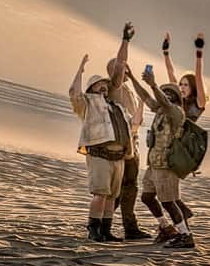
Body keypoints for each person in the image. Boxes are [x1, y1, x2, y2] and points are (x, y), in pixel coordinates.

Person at [127, 65, 195, 249]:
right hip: (154, 164)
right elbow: (146, 97)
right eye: (165, 92)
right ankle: (166, 228)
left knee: (168, 201)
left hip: (166, 165)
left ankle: (186, 235)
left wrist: (154, 85)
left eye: (170, 93)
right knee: (147, 197)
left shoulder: (176, 112)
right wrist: (133, 78)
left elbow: (163, 101)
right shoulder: (159, 111)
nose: (166, 95)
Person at [69, 54, 134, 243]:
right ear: (91, 88)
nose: (104, 85)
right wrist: (80, 70)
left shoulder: (115, 106)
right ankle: (94, 229)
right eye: (99, 83)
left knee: (112, 196)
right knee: (100, 194)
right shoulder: (87, 103)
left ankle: (106, 230)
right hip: (99, 154)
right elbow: (74, 93)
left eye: (105, 83)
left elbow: (131, 124)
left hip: (118, 156)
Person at [163, 32, 209, 222]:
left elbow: (198, 77)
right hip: (172, 143)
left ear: (193, 87)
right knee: (167, 188)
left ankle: (182, 226)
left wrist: (199, 53)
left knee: (168, 190)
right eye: (181, 85)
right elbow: (171, 75)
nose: (181, 87)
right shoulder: (179, 101)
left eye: (185, 85)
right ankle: (180, 217)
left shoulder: (199, 103)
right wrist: (165, 52)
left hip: (184, 148)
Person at [106, 56, 151, 240]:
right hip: (120, 145)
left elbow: (136, 122)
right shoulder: (112, 88)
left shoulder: (128, 90)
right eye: (122, 68)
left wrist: (141, 101)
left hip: (133, 143)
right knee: (117, 188)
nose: (126, 70)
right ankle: (103, 223)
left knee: (130, 186)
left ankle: (129, 227)